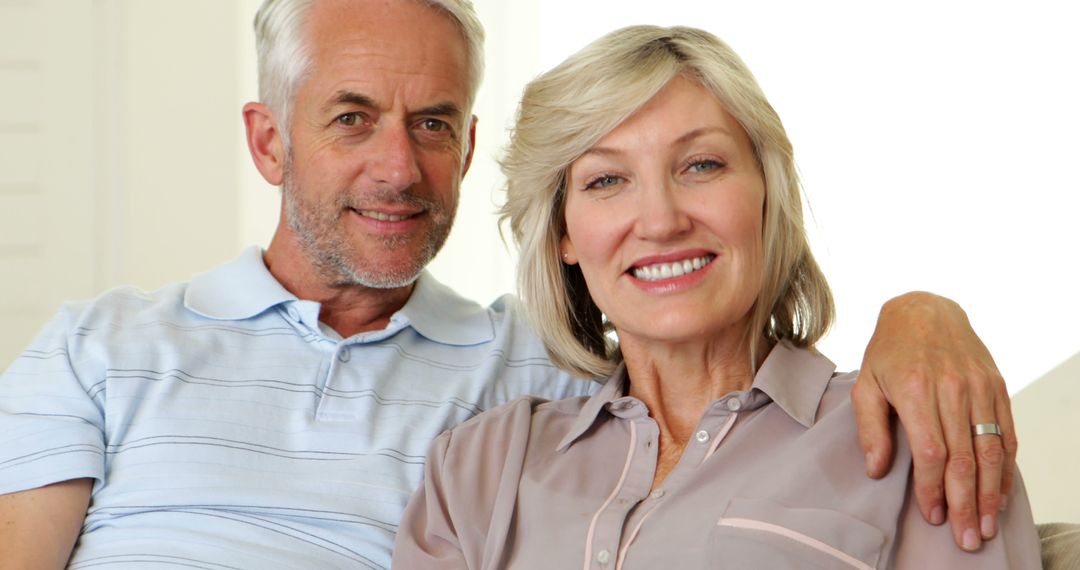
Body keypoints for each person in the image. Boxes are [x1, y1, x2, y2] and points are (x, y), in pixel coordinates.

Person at [0, 1, 1016, 568]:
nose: (399, 167)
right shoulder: (102, 345)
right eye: (352, 117)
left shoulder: (530, 377)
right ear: (269, 141)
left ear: (472, 143)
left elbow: (698, 355)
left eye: (433, 122)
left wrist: (921, 314)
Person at [392, 25, 1039, 569]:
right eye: (607, 179)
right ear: (563, 232)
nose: (661, 220)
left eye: (701, 165)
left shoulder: (922, 433)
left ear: (766, 191)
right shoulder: (477, 466)